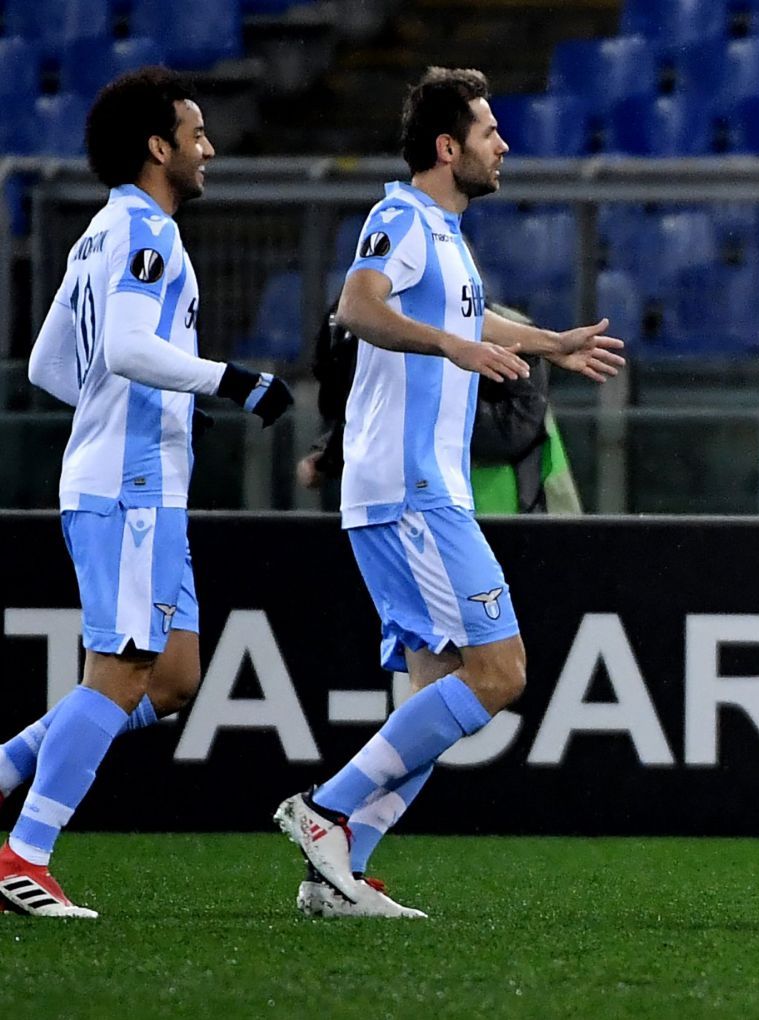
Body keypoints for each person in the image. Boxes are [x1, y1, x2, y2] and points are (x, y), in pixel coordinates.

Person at [271, 67, 623, 919]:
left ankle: (340, 873)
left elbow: (472, 319)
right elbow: (357, 309)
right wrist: (449, 349)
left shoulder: (446, 231)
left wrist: (550, 343)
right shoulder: (400, 216)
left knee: (440, 694)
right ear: (446, 146)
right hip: (412, 492)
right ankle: (324, 812)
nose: (503, 143)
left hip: (417, 492)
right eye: (489, 130)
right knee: (501, 673)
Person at [1, 67, 294, 917]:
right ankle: (26, 853)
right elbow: (127, 347)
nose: (210, 148)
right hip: (128, 489)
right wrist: (228, 383)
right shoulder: (146, 234)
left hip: (138, 485)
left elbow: (49, 366)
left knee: (170, 678)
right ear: (159, 148)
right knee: (123, 669)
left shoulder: (97, 234)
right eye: (197, 135)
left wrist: (142, 406)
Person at [298, 301, 584, 515]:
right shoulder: (361, 325)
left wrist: (412, 414)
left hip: (513, 507)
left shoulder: (514, 331)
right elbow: (353, 404)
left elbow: (513, 432)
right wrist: (329, 452)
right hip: (409, 510)